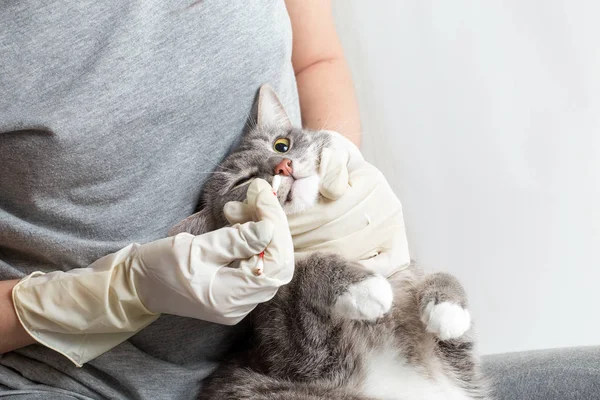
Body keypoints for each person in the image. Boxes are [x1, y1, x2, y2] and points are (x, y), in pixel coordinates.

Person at [1, 1, 598, 400]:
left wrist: (338, 171)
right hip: (75, 385)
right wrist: (113, 292)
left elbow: (317, 59)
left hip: (310, 363)